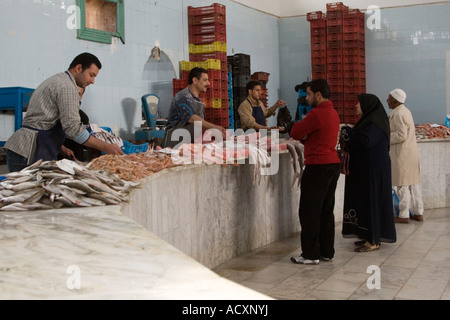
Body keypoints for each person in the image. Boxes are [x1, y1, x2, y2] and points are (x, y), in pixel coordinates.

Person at [5, 52, 123, 172]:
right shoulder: (67, 86)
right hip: (28, 153)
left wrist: (62, 148)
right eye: (91, 75)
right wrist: (106, 146)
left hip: (28, 150)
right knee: (29, 190)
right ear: (78, 68)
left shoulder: (58, 80)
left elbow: (44, 122)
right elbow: (73, 129)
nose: (92, 81)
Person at [289, 79, 341, 264]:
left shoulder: (316, 114)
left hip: (318, 166)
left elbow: (296, 131)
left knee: (309, 211)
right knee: (327, 211)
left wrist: (303, 134)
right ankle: (327, 251)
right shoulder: (333, 113)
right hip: (333, 165)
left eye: (309, 94)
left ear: (318, 95)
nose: (307, 98)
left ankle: (310, 254)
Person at [341, 93, 397, 252]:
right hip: (368, 169)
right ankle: (368, 235)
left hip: (373, 171)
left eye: (359, 103)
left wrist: (348, 132)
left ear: (368, 106)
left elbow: (364, 141)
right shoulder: (370, 121)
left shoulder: (375, 123)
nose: (356, 106)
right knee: (366, 202)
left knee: (372, 201)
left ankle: (373, 240)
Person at [162, 67, 226, 148]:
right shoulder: (182, 96)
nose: (208, 83)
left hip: (188, 144)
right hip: (174, 143)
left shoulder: (198, 100)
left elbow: (199, 126)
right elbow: (191, 118)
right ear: (195, 80)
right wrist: (215, 127)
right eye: (205, 80)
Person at [387, 88, 424, 223]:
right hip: (410, 153)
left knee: (402, 184)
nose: (387, 100)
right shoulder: (405, 111)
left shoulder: (397, 114)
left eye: (389, 98)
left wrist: (386, 135)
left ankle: (403, 215)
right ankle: (419, 212)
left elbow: (401, 135)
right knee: (413, 184)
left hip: (402, 154)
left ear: (396, 101)